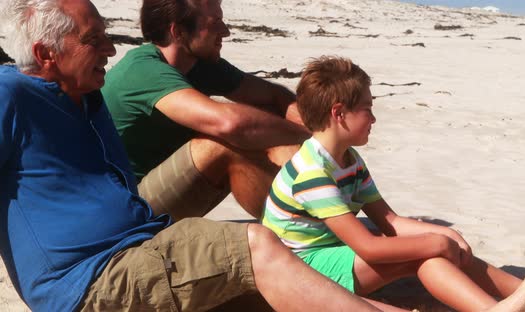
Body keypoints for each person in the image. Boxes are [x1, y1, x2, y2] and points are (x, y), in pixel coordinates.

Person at [0, 1, 388, 311]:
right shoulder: (12, 94)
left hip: (141, 237)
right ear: (45, 54)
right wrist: (321, 134)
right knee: (256, 245)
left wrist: (317, 130)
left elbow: (272, 99)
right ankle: (300, 235)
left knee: (268, 287)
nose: (111, 48)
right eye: (94, 39)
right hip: (89, 278)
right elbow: (229, 125)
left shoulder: (87, 96)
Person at [261, 56, 525, 312]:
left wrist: (446, 236)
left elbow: (389, 221)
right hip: (302, 269)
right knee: (425, 254)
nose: (374, 118)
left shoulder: (349, 160)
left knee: (445, 249)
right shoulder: (312, 173)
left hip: (330, 251)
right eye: (367, 109)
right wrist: (434, 244)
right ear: (340, 113)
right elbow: (368, 246)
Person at [102, 0, 308, 221]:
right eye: (215, 23)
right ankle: (295, 227)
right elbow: (231, 125)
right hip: (124, 208)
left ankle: (318, 206)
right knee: (221, 143)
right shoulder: (143, 70)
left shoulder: (198, 64)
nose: (226, 32)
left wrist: (319, 136)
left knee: (268, 118)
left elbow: (275, 98)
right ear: (178, 31)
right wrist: (310, 135)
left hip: (161, 195)